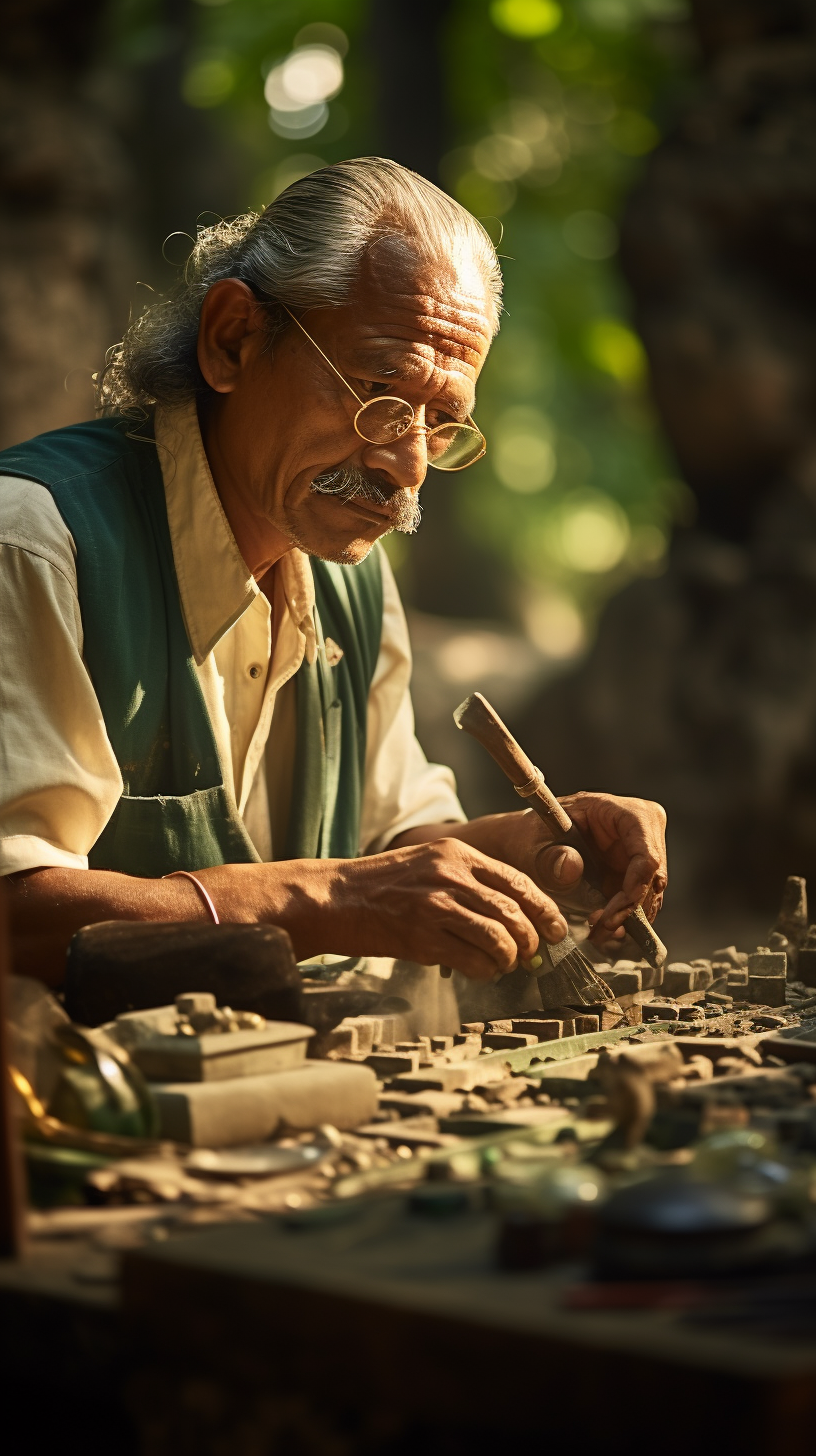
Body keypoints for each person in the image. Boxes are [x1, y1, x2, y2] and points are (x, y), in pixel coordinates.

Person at [0, 158, 667, 986]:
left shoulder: (346, 573)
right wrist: (327, 898)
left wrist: (542, 851)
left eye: (442, 420)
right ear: (233, 339)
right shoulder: (32, 543)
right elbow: (13, 913)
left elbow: (387, 843)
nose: (408, 466)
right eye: (378, 389)